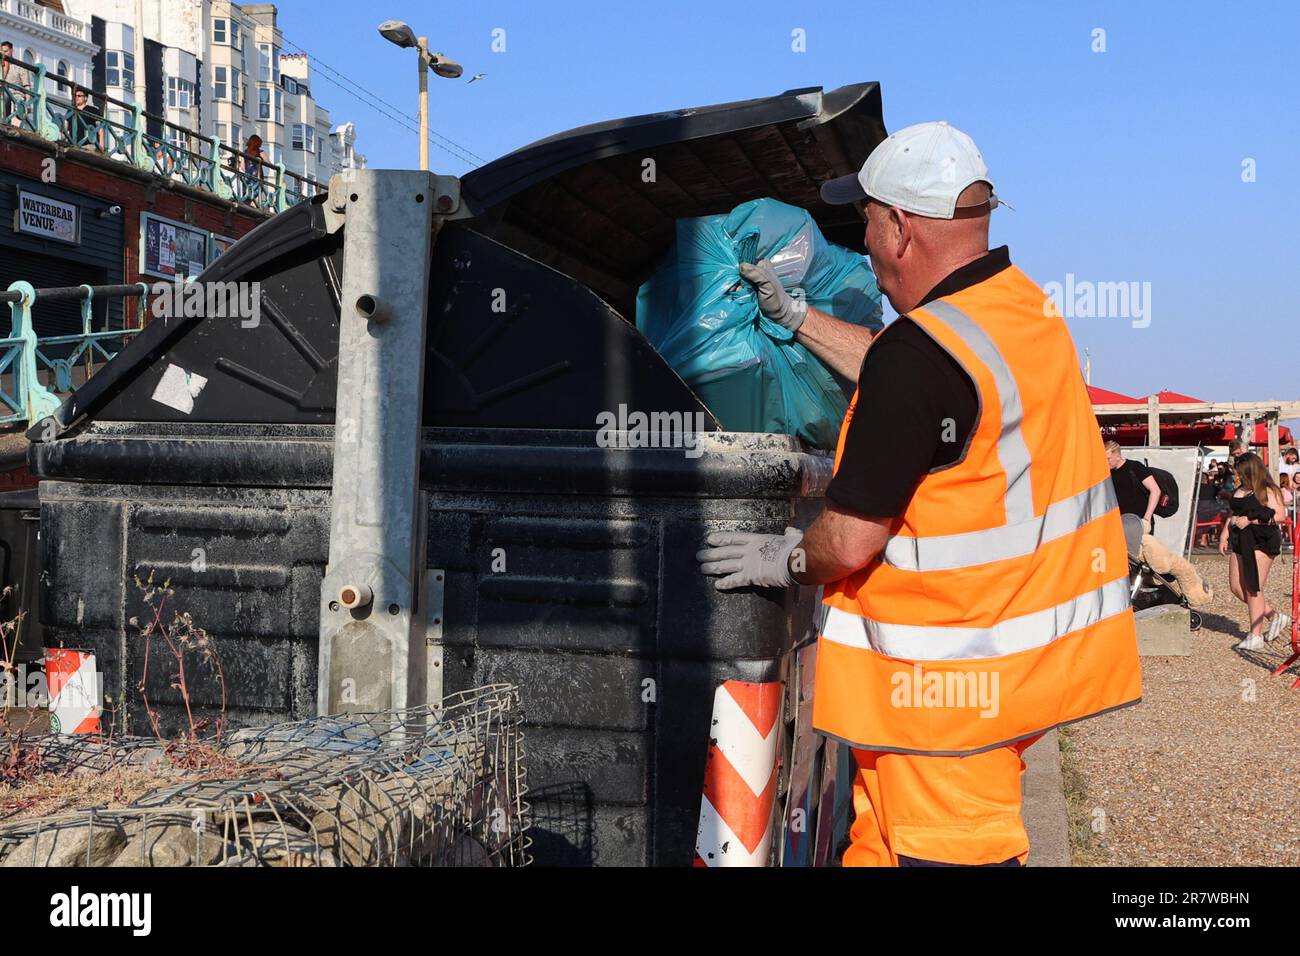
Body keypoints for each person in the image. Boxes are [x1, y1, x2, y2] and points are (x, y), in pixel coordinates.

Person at [696, 121, 1141, 867]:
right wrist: (799, 321)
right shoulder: (1019, 311)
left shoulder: (924, 351)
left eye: (867, 221)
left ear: (899, 228)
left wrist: (786, 560)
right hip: (1007, 671)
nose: (864, 245)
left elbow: (852, 537)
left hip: (942, 699)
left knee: (946, 852)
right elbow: (914, 377)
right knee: (884, 846)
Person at [1219, 453, 1288, 649]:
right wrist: (1225, 532)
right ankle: (1275, 617)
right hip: (1240, 539)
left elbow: (1280, 516)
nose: (1235, 476)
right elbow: (1235, 513)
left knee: (1252, 587)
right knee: (1236, 588)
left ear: (1250, 473)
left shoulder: (1268, 490)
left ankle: (1255, 635)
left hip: (1261, 541)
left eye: (1239, 473)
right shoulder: (1241, 490)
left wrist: (1250, 520)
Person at [1105, 440, 1161, 534]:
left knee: (1143, 548)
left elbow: (1155, 491)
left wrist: (1147, 518)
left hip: (1140, 523)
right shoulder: (1108, 473)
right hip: (1120, 525)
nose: (1106, 462)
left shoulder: (1135, 467)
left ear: (1118, 456)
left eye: (1108, 458)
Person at [1, 41, 32, 128]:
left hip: (16, 96)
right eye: (2, 51)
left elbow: (27, 86)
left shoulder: (20, 66)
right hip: (3, 94)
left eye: (6, 51)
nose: (4, 54)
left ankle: (7, 123)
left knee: (13, 101)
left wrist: (28, 103)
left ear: (11, 50)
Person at [64, 87, 103, 152]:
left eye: (79, 96)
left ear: (85, 98)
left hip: (89, 146)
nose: (76, 98)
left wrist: (101, 146)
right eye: (75, 96)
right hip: (73, 146)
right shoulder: (70, 111)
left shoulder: (93, 110)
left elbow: (100, 128)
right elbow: (64, 127)